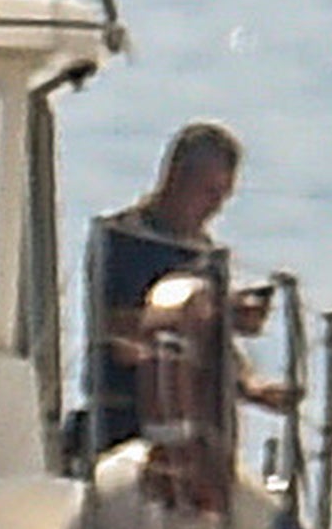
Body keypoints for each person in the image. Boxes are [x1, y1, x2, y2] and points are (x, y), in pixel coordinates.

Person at [81, 122, 243, 458]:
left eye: (223, 196)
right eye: (209, 192)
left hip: (197, 434)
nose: (216, 207)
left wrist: (252, 383)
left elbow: (217, 346)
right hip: (126, 423)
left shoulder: (207, 255)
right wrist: (206, 312)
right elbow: (116, 324)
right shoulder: (122, 239)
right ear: (177, 177)